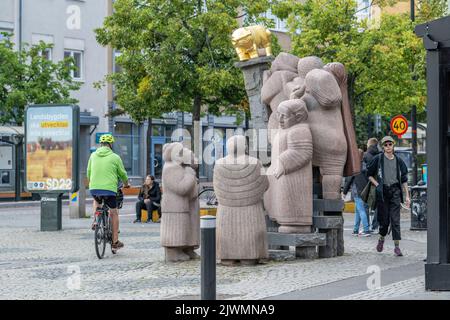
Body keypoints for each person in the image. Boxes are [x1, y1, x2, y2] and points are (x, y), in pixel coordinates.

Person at [367, 136, 410, 256]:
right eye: (385, 145)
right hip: (383, 193)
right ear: (383, 147)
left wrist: (407, 196)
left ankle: (397, 247)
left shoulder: (399, 160)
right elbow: (369, 174)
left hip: (395, 191)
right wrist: (377, 184)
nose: (388, 147)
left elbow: (404, 179)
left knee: (395, 220)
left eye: (390, 144)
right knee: (384, 221)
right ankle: (381, 238)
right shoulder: (378, 159)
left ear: (393, 145)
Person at [87, 134, 129, 251]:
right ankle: (115, 242)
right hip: (110, 190)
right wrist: (126, 184)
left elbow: (88, 172)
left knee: (96, 200)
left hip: (94, 188)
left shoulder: (93, 155)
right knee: (113, 212)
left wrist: (92, 183)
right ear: (111, 144)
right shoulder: (115, 157)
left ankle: (95, 220)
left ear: (100, 144)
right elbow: (123, 174)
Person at [343, 149, 371, 237]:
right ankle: (355, 230)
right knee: (358, 211)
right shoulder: (366, 166)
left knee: (361, 210)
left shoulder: (354, 167)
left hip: (357, 191)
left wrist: (344, 192)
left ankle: (366, 230)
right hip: (365, 191)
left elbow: (349, 180)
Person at [364, 138, 381, 231]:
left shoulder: (366, 155)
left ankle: (367, 227)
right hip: (378, 182)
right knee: (378, 204)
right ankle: (376, 225)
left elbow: (364, 171)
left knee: (365, 205)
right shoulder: (379, 155)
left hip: (368, 183)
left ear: (369, 144)